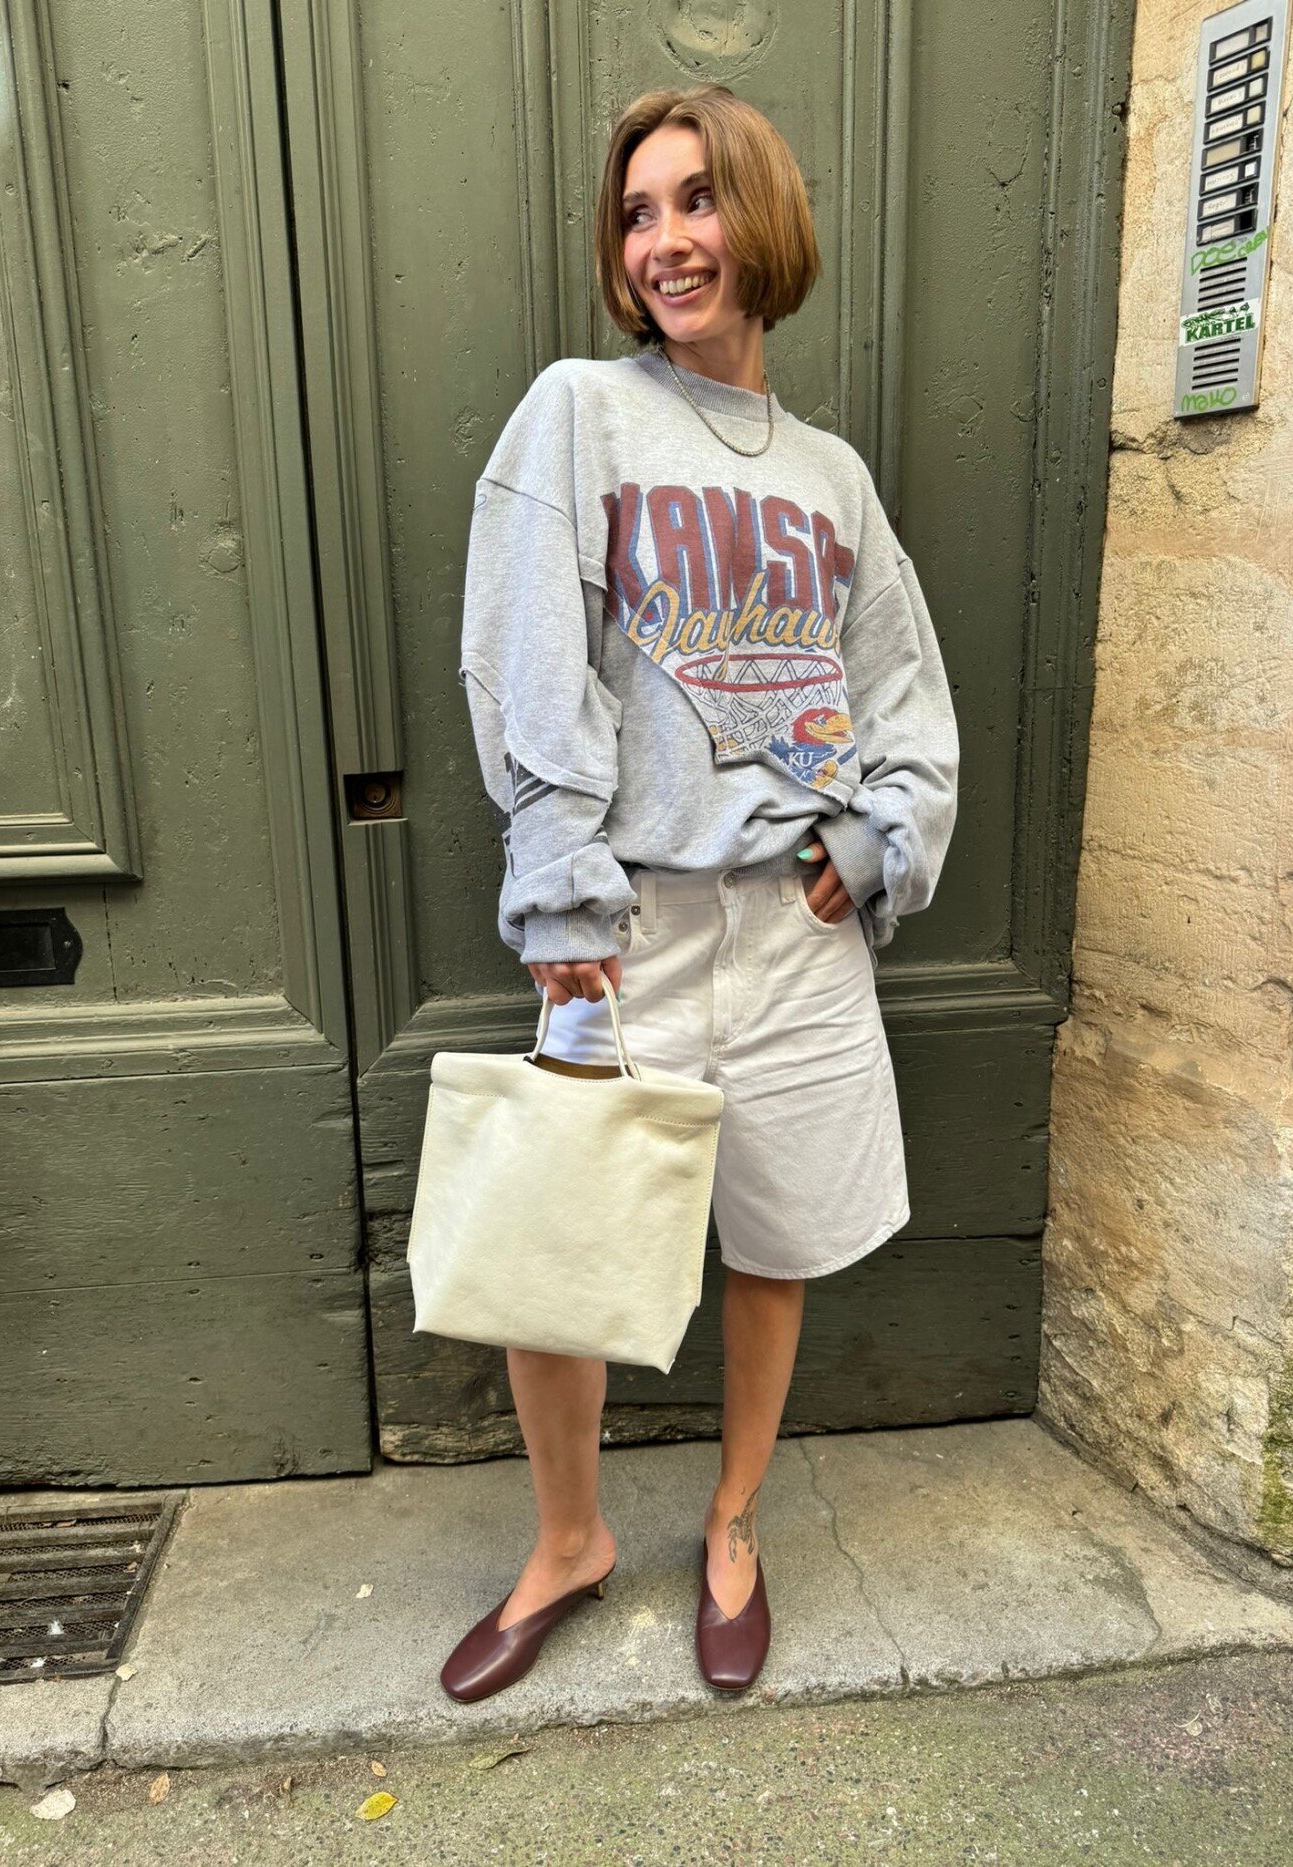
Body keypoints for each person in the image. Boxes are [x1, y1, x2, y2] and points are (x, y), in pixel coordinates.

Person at [440, 82, 959, 1704]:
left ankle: (732, 1525)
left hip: (794, 932)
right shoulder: (582, 413)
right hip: (627, 929)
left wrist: (872, 847)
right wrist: (559, 895)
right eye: (638, 213)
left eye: (697, 200)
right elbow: (529, 656)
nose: (664, 241)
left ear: (764, 219)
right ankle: (569, 1541)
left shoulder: (833, 477)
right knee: (556, 1256)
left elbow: (901, 689)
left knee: (773, 1242)